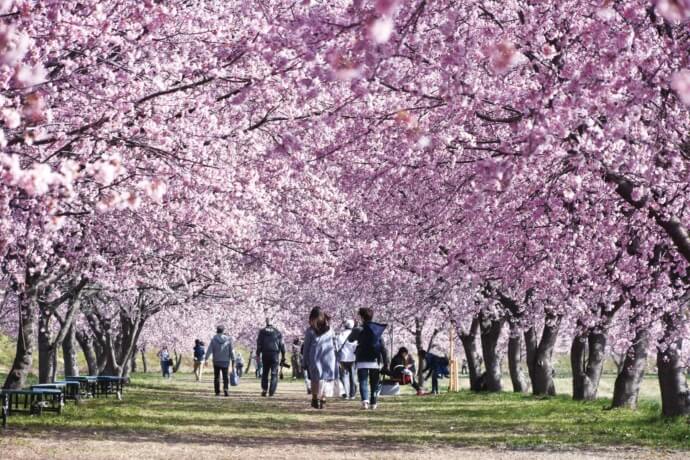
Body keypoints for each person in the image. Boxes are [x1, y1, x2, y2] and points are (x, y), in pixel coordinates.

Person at [348, 307, 389, 410]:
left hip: (362, 358)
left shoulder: (359, 329)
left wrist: (355, 330)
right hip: (375, 360)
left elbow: (350, 339)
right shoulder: (377, 330)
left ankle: (365, 402)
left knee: (363, 381)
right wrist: (386, 362)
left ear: (361, 317)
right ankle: (373, 403)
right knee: (374, 382)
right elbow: (383, 347)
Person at [302, 307, 338, 409]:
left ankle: (315, 399)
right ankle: (322, 399)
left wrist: (304, 361)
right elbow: (335, 344)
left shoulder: (310, 331)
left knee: (316, 379)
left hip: (315, 358)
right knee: (325, 379)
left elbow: (306, 348)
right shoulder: (330, 329)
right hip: (329, 358)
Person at [256, 319, 286, 397]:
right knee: (274, 373)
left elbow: (259, 344)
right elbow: (282, 345)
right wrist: (283, 356)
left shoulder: (262, 332)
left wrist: (258, 355)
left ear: (266, 323)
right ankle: (271, 391)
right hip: (274, 354)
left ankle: (264, 390)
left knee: (265, 373)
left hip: (265, 354)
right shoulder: (278, 332)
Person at [204, 325, 235, 396]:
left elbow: (209, 350)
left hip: (216, 361)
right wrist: (233, 358)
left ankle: (217, 391)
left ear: (217, 331)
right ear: (223, 331)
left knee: (216, 377)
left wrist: (206, 359)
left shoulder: (213, 339)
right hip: (225, 361)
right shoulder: (228, 340)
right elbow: (232, 350)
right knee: (225, 377)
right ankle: (226, 389)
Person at [337, 319, 357, 399]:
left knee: (343, 376)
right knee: (352, 376)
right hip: (352, 358)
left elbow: (337, 346)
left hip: (342, 358)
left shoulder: (341, 334)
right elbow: (355, 346)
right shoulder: (354, 335)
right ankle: (352, 394)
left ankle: (345, 393)